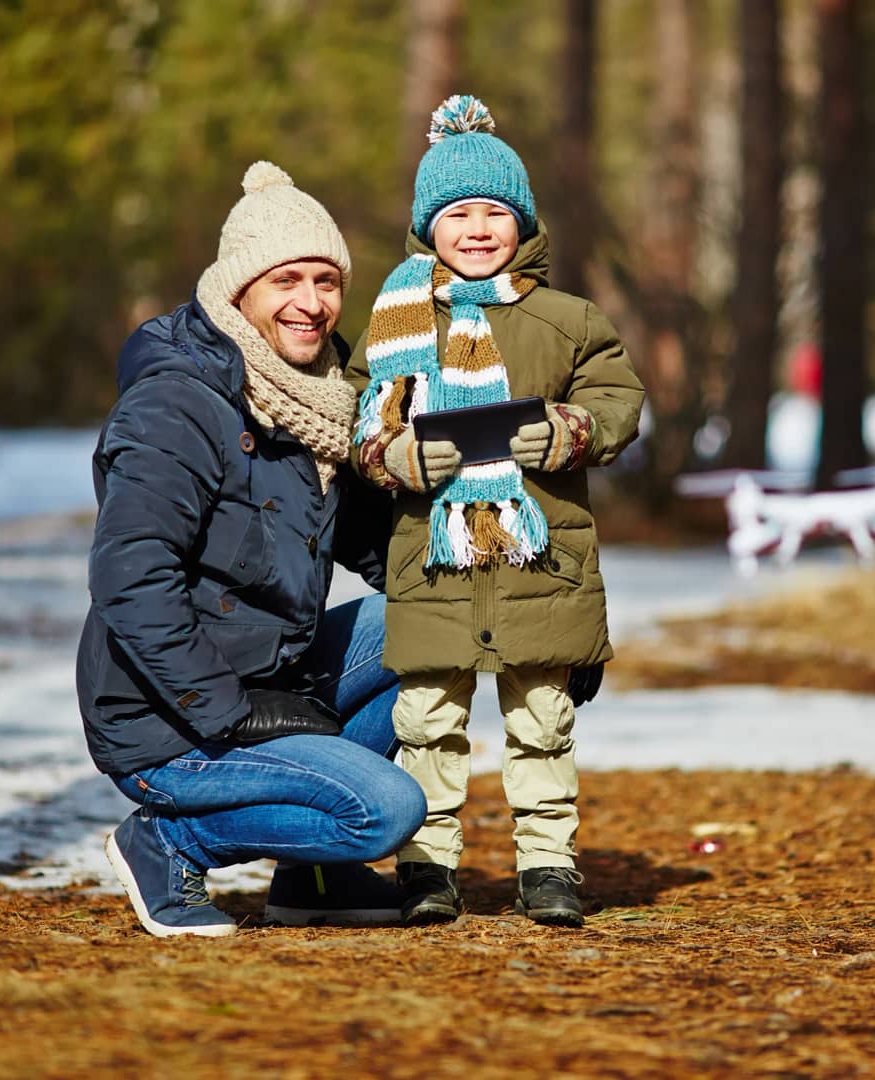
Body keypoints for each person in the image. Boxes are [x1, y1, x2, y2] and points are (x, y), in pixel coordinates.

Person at [77, 162, 427, 938]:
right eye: (287, 281)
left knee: (430, 630)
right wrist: (229, 712)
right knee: (386, 810)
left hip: (273, 673)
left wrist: (525, 628)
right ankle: (167, 841)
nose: (312, 304)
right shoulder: (178, 403)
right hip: (166, 715)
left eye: (328, 281)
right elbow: (130, 577)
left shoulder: (324, 403)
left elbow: (384, 549)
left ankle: (315, 881)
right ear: (239, 290)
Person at [347, 96, 644, 928]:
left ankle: (547, 864)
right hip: (431, 559)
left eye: (494, 213)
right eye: (456, 214)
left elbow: (616, 397)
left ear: (522, 223)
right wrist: (392, 455)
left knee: (541, 720)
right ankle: (426, 868)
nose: (476, 230)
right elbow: (360, 415)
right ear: (426, 228)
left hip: (538, 558)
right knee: (427, 723)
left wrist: (570, 429)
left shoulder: (567, 320)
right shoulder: (396, 324)